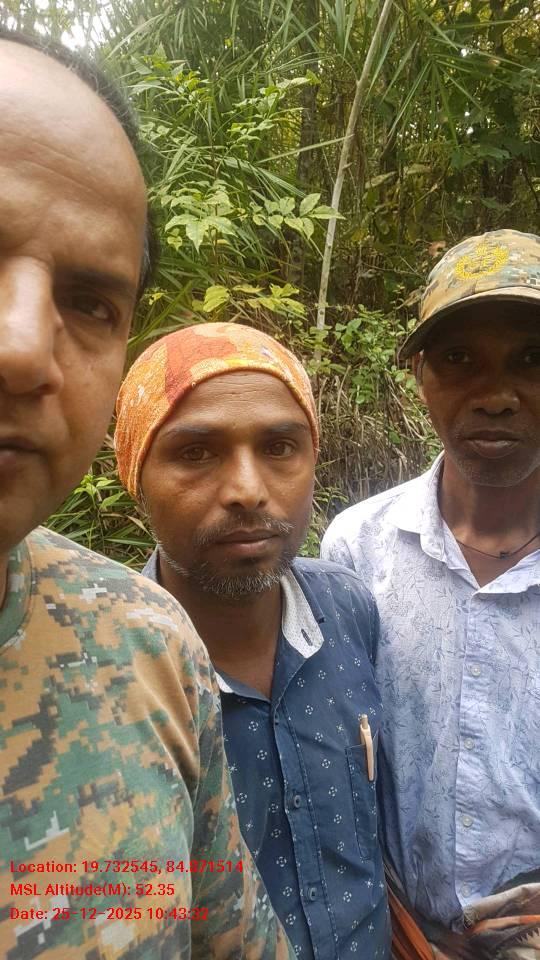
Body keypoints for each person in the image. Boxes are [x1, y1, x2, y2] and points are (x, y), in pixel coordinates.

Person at [0, 31, 295, 960]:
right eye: (195, 452)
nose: (23, 348)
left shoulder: (143, 647)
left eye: (90, 302)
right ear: (134, 473)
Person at [115, 321, 392, 960]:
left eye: (279, 446)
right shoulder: (106, 669)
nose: (247, 490)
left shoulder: (349, 610)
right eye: (195, 453)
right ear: (136, 473)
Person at [322, 229, 540, 958]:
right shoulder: (359, 548)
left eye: (532, 359)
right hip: (397, 937)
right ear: (420, 374)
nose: (497, 396)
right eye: (459, 360)